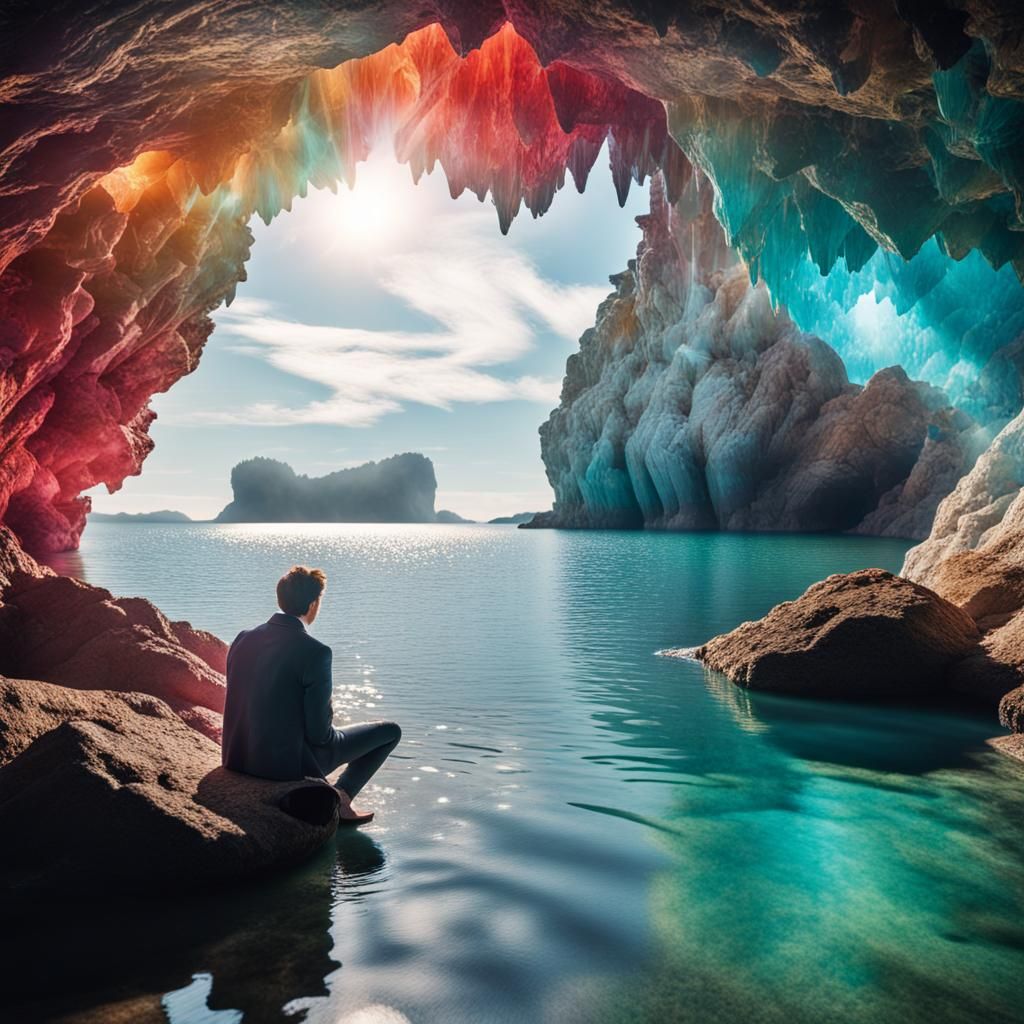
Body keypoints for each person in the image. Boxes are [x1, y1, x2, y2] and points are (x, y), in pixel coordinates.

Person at [222, 565, 401, 825]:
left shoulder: (243, 638)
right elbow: (320, 736)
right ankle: (341, 797)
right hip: (284, 767)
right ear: (314, 603)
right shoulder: (316, 652)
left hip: (237, 757)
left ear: (280, 598)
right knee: (389, 732)